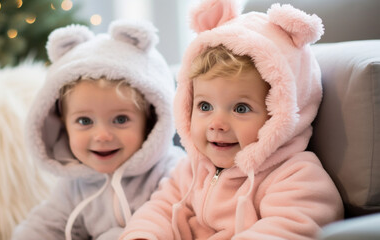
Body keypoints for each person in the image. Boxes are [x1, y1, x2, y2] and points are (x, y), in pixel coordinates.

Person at [120, 0, 344, 239]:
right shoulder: (192, 169)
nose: (217, 124)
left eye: (240, 108)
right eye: (205, 106)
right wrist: (143, 235)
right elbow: (160, 209)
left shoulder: (296, 177)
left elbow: (290, 228)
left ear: (282, 114)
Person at [12, 19, 186, 240]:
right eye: (85, 121)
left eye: (121, 119)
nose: (102, 136)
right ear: (63, 125)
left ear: (151, 121)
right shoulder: (75, 184)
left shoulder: (172, 172)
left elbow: (176, 226)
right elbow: (46, 225)